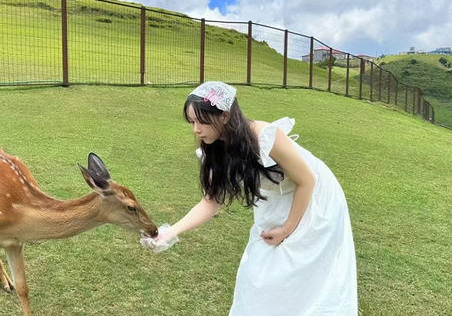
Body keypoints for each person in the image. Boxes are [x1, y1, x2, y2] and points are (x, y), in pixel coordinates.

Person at [149, 81, 357, 315]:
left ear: (225, 116)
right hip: (279, 199)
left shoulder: (264, 136)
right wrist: (170, 232)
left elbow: (307, 180)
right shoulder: (215, 148)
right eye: (192, 122)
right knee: (261, 272)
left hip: (315, 198)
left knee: (301, 272)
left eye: (202, 121)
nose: (196, 129)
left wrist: (288, 229)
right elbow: (211, 201)